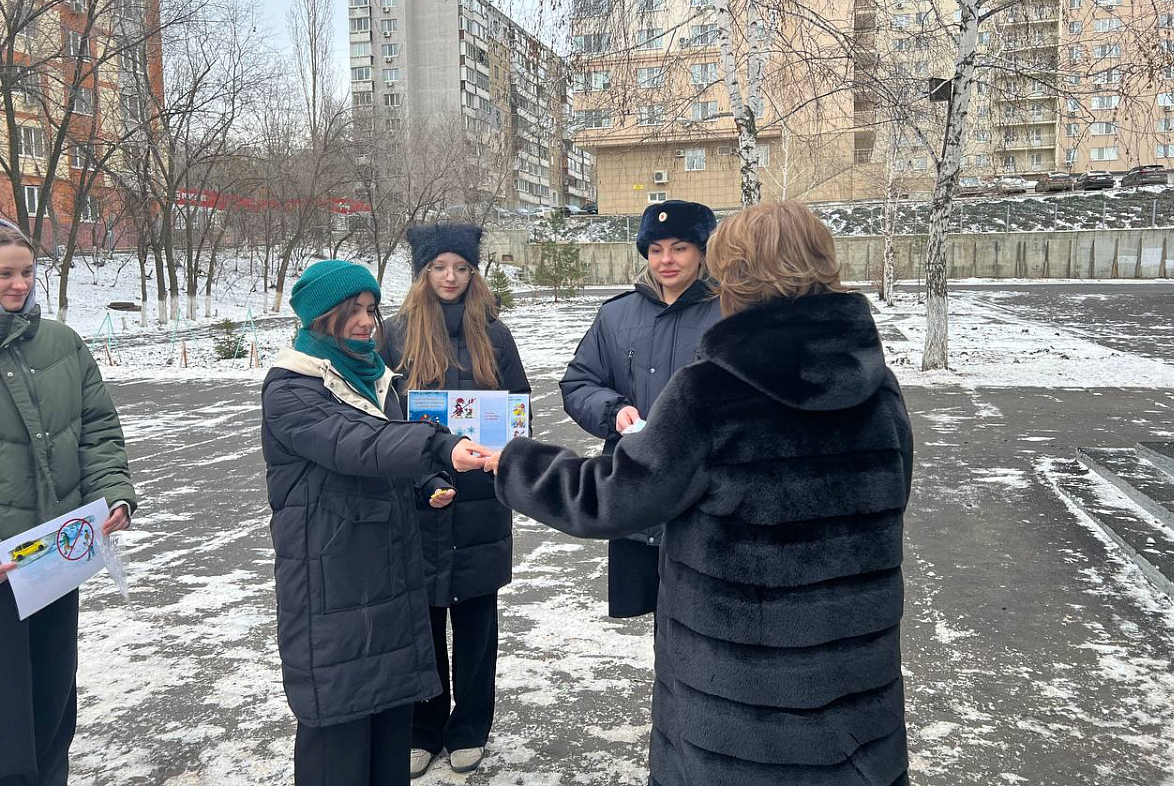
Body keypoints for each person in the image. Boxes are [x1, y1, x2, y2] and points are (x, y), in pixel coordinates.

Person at [486, 201, 913, 786]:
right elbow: (895, 495)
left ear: (735, 276)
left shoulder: (711, 393)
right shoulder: (878, 387)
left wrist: (513, 462)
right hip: (853, 686)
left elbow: (611, 498)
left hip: (742, 699)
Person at [260, 259, 491, 786]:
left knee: (389, 732)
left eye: (371, 309)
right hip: (332, 586)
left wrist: (426, 482)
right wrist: (438, 445)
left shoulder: (370, 378)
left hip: (387, 580)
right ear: (321, 318)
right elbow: (356, 442)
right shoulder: (293, 389)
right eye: (353, 311)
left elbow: (384, 447)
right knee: (339, 738)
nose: (367, 322)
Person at [381, 224, 531, 779]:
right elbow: (382, 414)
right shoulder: (394, 334)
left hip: (481, 498)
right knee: (420, 622)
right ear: (423, 272)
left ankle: (469, 727)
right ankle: (422, 727)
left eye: (462, 268)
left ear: (474, 272)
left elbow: (519, 408)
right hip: (418, 497)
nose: (451, 277)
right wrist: (420, 473)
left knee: (476, 623)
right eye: (439, 267)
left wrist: (504, 454)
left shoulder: (495, 334)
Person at [0, 220, 136, 786]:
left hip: (54, 555)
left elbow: (98, 430)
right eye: (4, 274)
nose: (18, 285)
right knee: (7, 715)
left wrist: (112, 495)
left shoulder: (63, 344)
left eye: (26, 272)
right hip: (2, 567)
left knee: (54, 696)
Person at [559, 199, 722, 621]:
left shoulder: (731, 311)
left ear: (702, 250)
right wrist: (612, 410)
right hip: (635, 490)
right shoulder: (616, 316)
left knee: (705, 621)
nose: (666, 260)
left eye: (679, 247)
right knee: (656, 624)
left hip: (706, 498)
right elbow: (579, 383)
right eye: (655, 249)